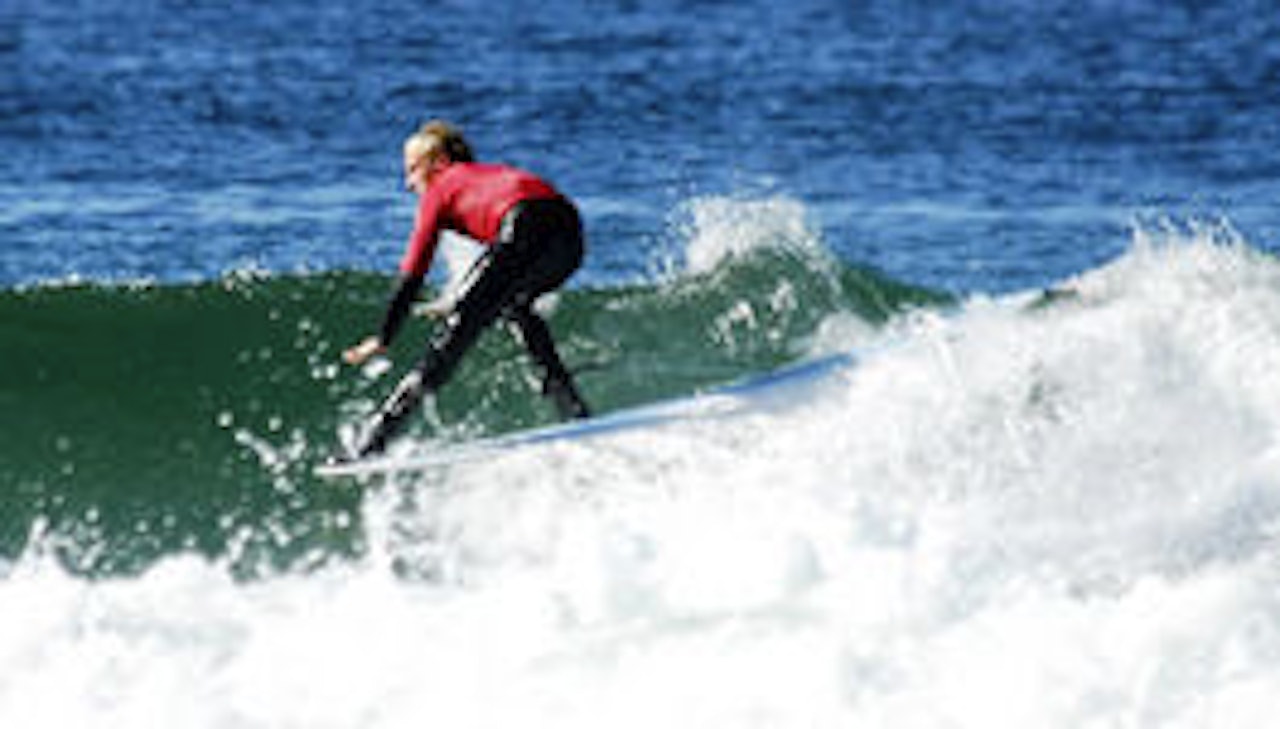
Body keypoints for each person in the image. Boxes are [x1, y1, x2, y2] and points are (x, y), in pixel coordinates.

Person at [338, 120, 590, 460]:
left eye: (413, 170)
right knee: (514, 306)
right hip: (569, 233)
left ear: (438, 162)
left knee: (449, 342)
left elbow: (413, 270)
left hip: (525, 224)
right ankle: (570, 405)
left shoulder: (442, 186)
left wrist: (383, 337)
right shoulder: (481, 175)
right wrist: (463, 299)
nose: (408, 183)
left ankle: (372, 442)